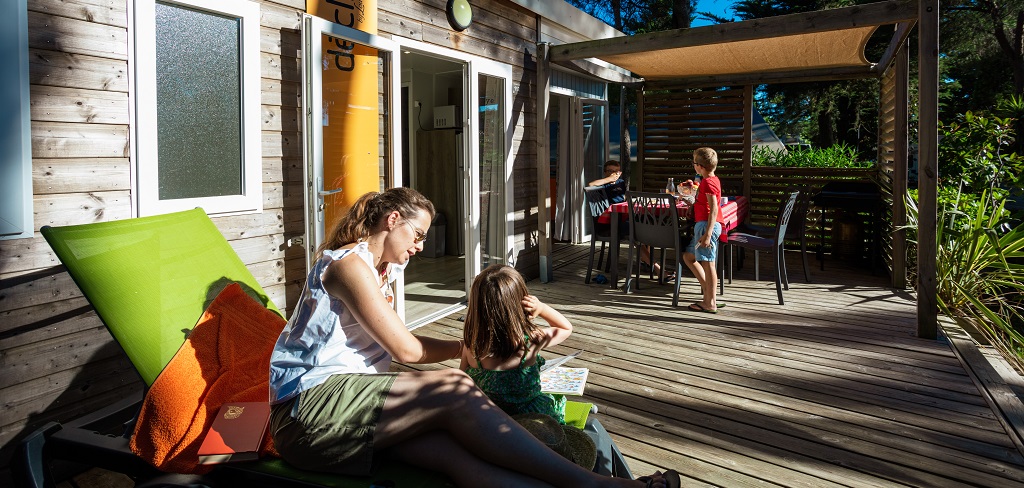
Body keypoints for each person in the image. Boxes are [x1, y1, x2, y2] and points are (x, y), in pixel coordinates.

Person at [268, 187, 679, 488]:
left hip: (348, 410)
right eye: (417, 235)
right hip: (307, 411)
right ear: (393, 219)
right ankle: (599, 486)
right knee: (456, 385)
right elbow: (406, 349)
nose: (420, 246)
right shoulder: (347, 266)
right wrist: (472, 348)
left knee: (455, 456)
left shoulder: (383, 272)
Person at [460, 264, 572, 423]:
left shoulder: (472, 343)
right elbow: (565, 328)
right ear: (521, 303)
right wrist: (542, 308)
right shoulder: (533, 340)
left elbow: (462, 380)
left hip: (489, 418)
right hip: (532, 420)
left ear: (477, 307)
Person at [683, 147, 724, 314]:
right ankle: (709, 294)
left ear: (699, 166)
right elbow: (706, 204)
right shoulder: (711, 179)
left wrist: (707, 234)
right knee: (688, 257)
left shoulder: (708, 182)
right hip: (704, 225)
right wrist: (692, 205)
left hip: (706, 227)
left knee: (709, 264)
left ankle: (710, 302)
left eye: (694, 163)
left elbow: (714, 208)